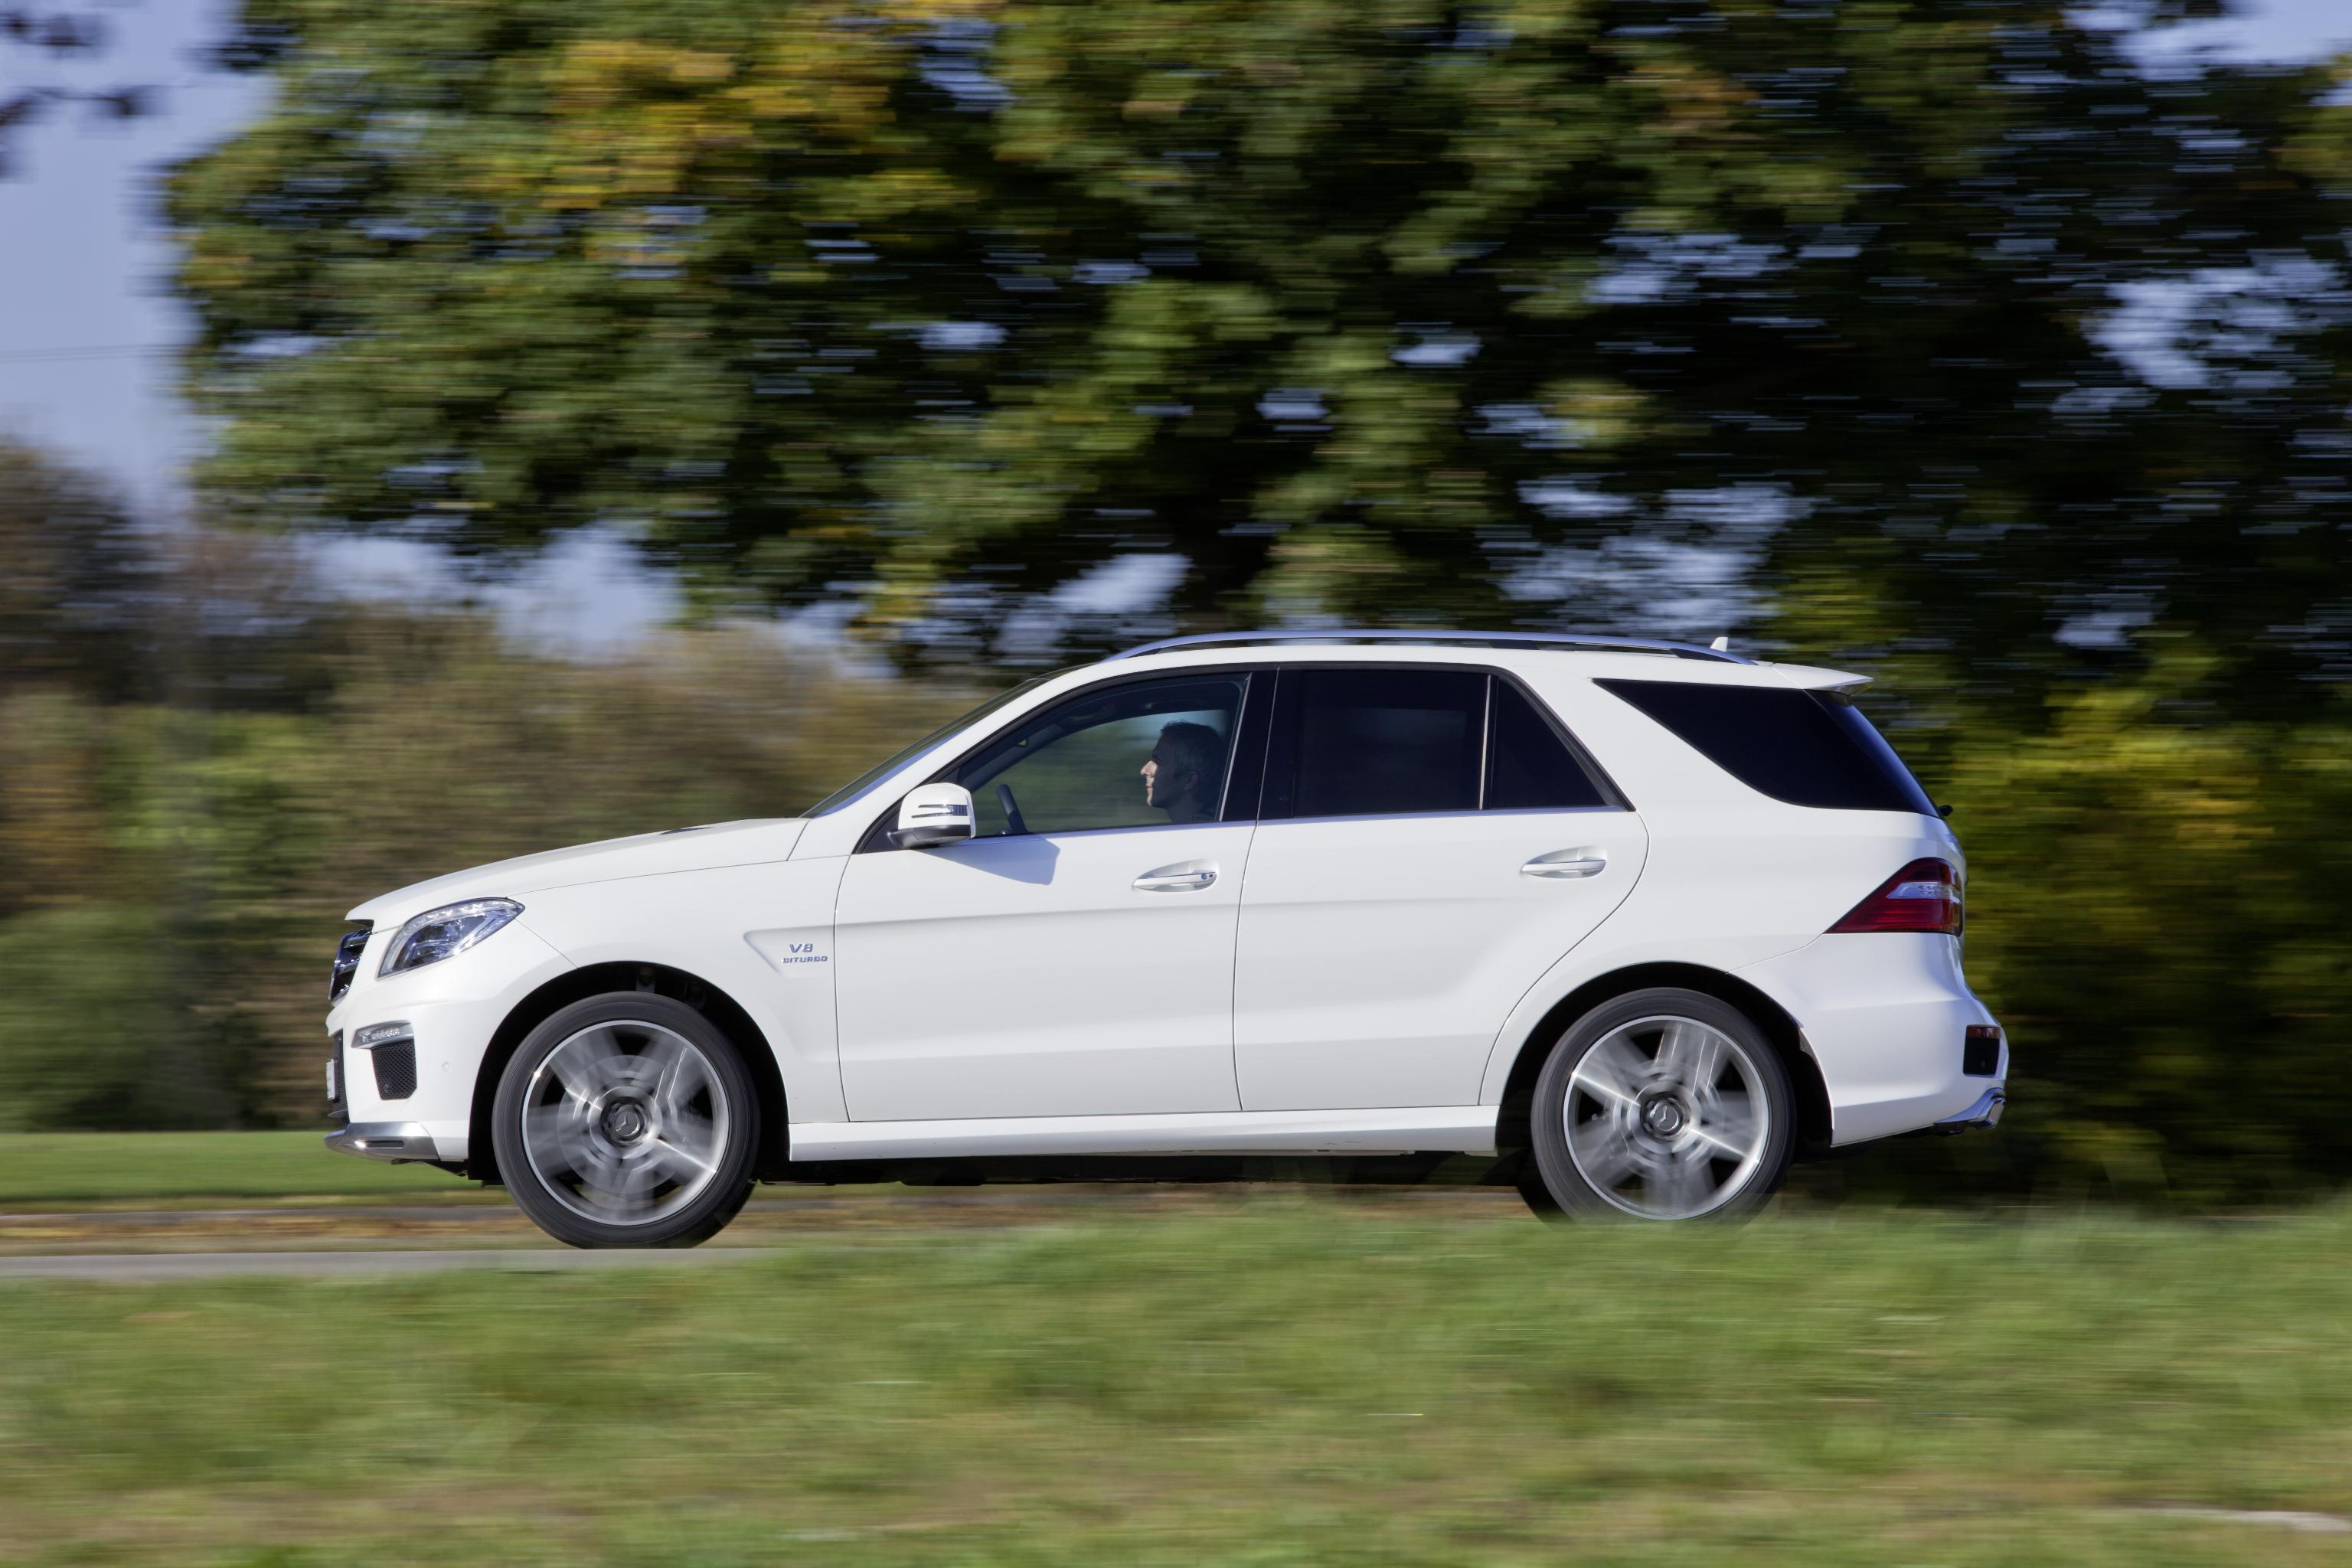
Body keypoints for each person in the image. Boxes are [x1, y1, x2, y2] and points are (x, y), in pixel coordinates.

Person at [1141, 720, 1225, 825]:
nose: (1144, 771)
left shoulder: (1199, 835)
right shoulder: (1208, 826)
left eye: (1157, 762)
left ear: (1189, 780)